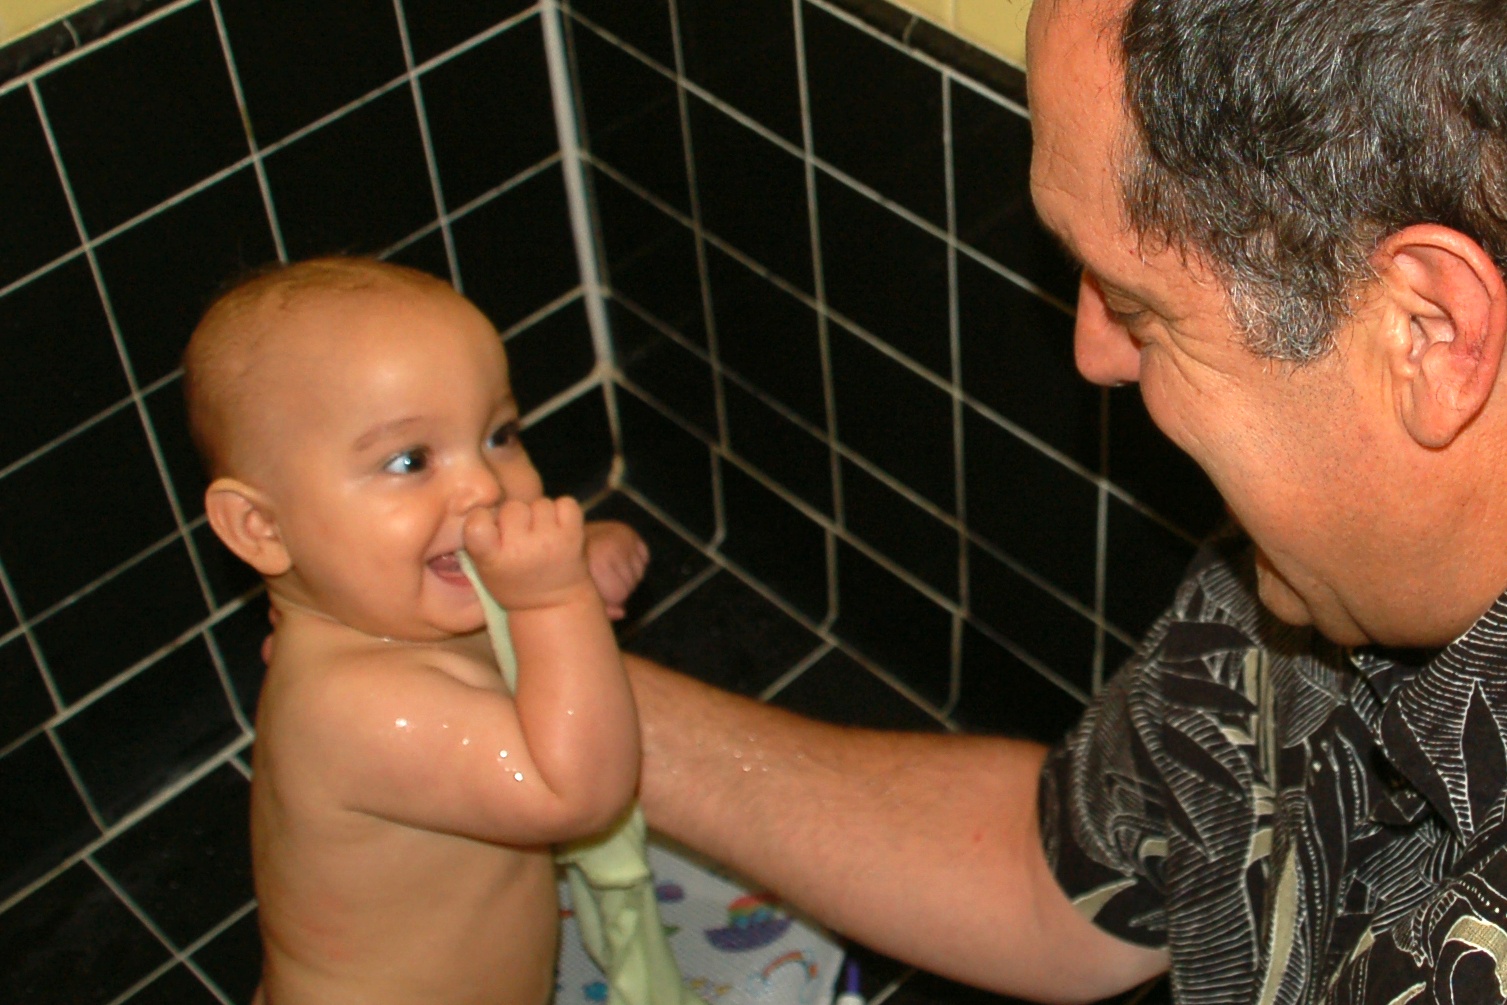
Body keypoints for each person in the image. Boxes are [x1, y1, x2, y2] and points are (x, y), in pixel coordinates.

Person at [619, 0, 1507, 1003]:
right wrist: (578, 700)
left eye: (1133, 303)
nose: (1094, 353)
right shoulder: (1320, 561)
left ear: (1428, 331)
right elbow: (1060, 884)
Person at [182, 257, 651, 1005]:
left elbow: (496, 635)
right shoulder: (356, 708)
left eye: (499, 434)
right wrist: (556, 603)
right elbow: (578, 793)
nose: (484, 486)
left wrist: (570, 572)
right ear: (262, 527)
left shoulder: (380, 610)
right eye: (410, 460)